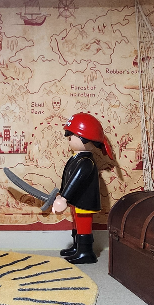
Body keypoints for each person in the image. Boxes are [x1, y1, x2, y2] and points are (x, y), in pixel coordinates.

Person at [52, 112, 112, 264]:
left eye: (72, 136)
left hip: (84, 201)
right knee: (76, 223)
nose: (69, 139)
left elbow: (75, 181)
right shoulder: (77, 158)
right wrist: (62, 194)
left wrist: (64, 198)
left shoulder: (86, 162)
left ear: (85, 139)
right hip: (76, 200)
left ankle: (85, 252)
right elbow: (68, 179)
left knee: (83, 225)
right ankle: (77, 247)